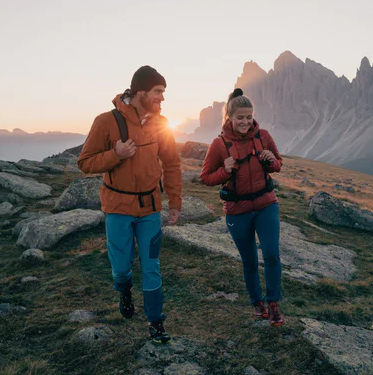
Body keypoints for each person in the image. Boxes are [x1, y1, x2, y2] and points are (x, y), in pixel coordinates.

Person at [77, 65, 182, 343]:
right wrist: (115, 154)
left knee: (151, 265)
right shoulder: (105, 121)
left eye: (163, 92)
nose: (162, 98)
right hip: (118, 209)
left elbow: (171, 163)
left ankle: (156, 322)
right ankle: (124, 290)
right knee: (121, 267)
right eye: (158, 92)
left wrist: (175, 202)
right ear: (140, 92)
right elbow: (85, 162)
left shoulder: (162, 124)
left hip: (150, 208)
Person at [200, 88, 285, 326]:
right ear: (229, 117)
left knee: (271, 254)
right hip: (237, 211)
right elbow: (205, 177)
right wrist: (224, 171)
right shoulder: (219, 144)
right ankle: (257, 303)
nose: (245, 122)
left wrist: (271, 160)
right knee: (249, 261)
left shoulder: (264, 136)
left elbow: (278, 164)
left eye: (249, 117)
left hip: (266, 204)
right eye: (240, 117)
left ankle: (273, 303)